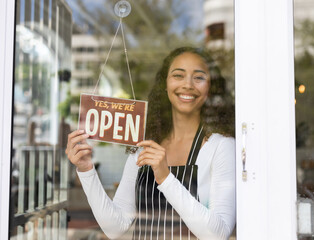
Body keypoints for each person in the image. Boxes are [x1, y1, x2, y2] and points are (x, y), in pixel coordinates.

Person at [66, 47, 236, 239]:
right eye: (178, 75)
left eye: (199, 77)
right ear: (165, 83)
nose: (188, 84)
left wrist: (165, 178)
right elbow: (116, 228)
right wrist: (87, 170)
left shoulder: (221, 147)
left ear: (210, 87)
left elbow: (219, 234)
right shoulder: (143, 148)